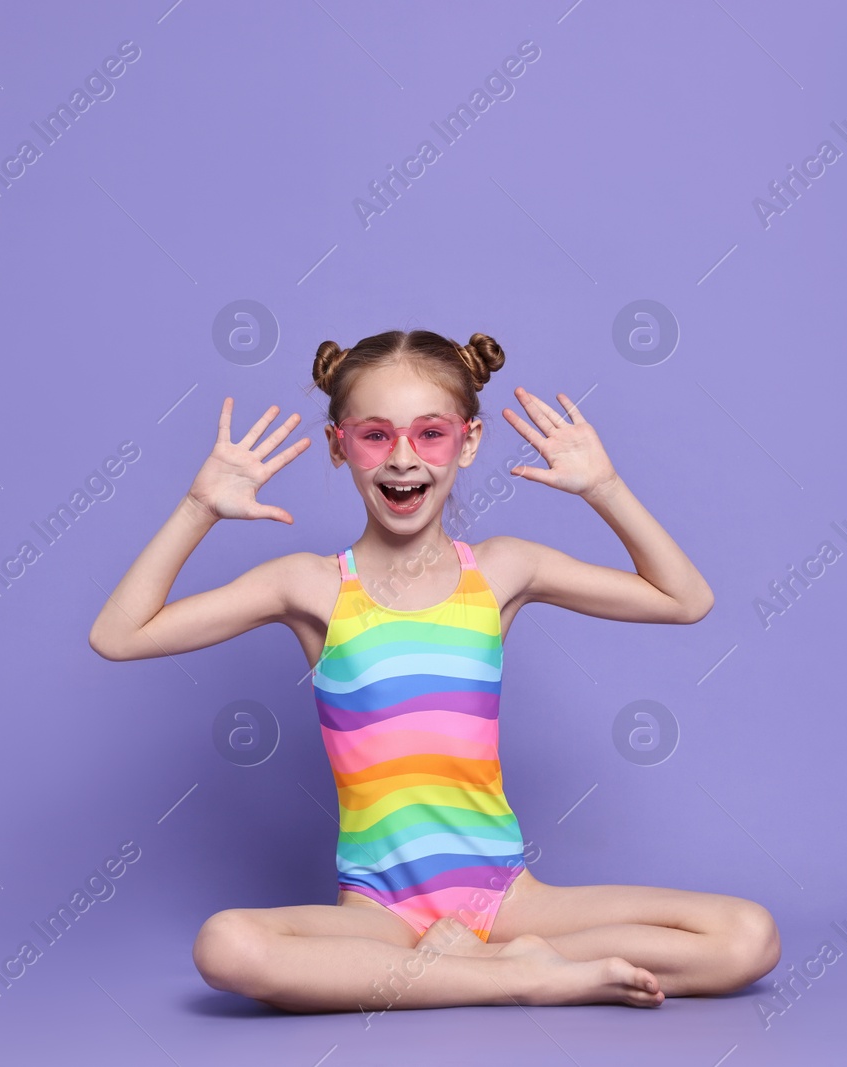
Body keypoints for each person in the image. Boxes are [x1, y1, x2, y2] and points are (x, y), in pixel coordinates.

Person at [88, 329, 779, 1012]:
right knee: (227, 946)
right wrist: (198, 506)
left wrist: (605, 486)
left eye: (430, 433)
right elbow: (118, 635)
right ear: (340, 446)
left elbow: (685, 598)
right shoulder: (309, 586)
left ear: (468, 441)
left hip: (508, 897)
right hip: (378, 911)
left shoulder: (505, 568)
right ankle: (522, 976)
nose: (403, 459)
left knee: (747, 935)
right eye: (375, 435)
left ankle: (469, 965)